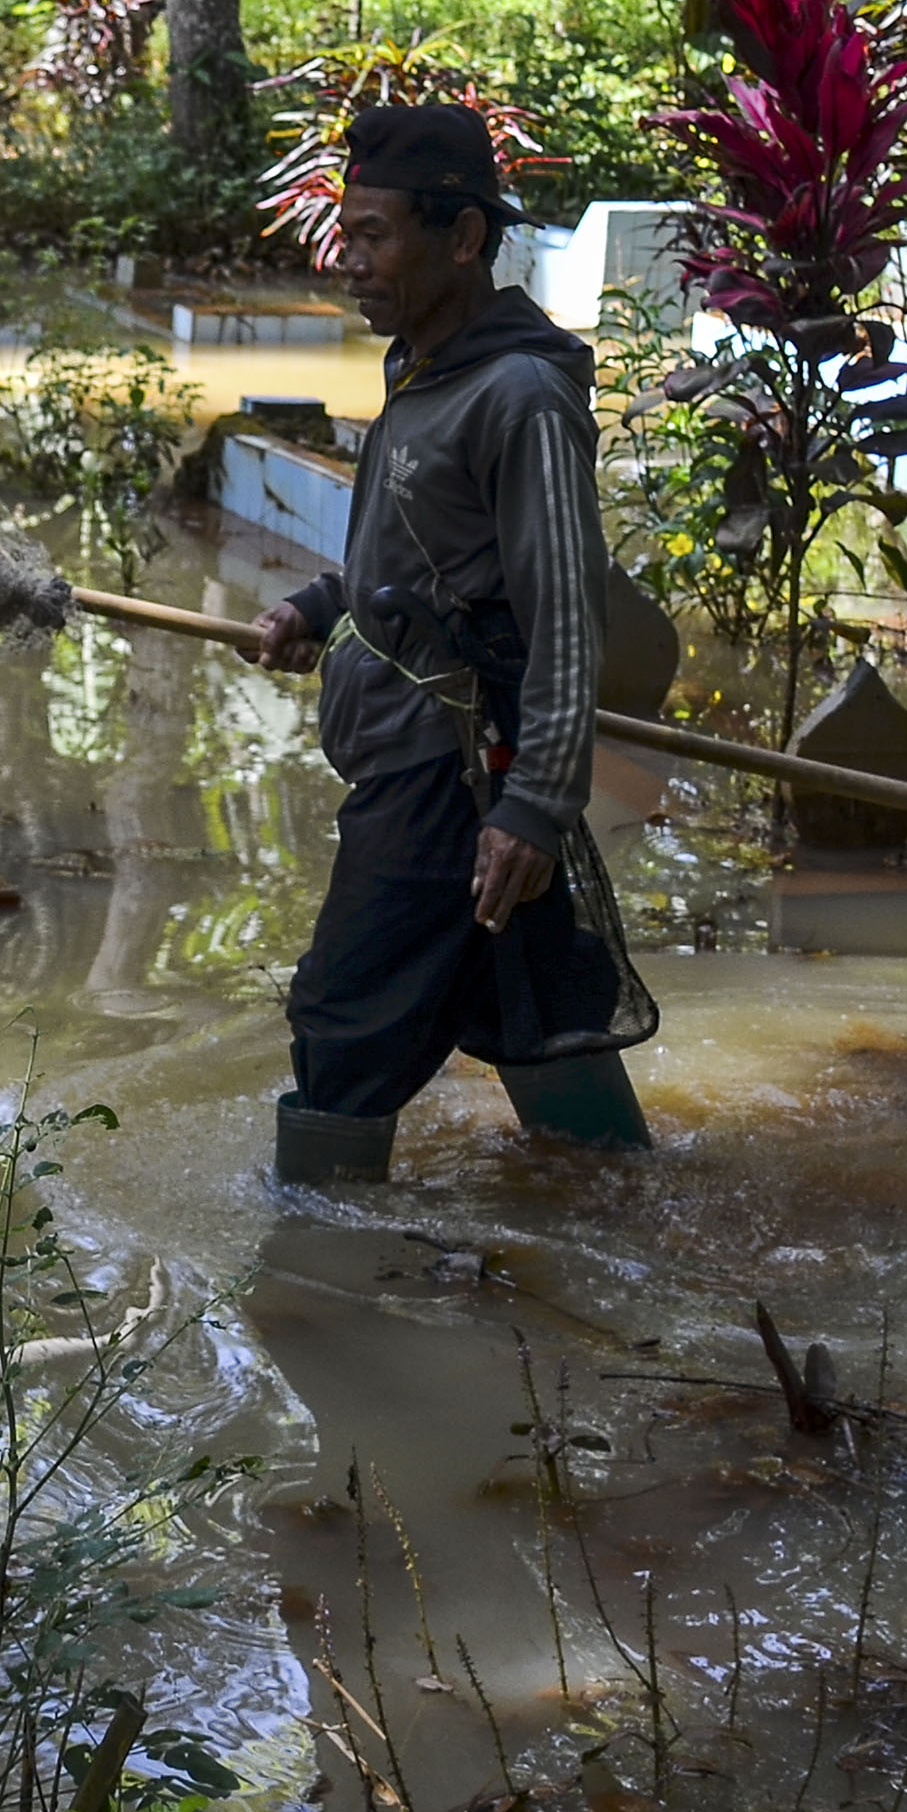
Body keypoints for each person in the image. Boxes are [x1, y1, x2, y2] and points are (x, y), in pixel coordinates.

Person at [250, 103, 655, 1183]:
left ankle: (314, 1282)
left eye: (376, 233)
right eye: (350, 230)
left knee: (341, 1024)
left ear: (463, 236)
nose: (351, 259)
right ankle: (623, 1206)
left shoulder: (519, 398)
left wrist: (533, 808)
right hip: (417, 758)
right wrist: (319, 604)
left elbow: (569, 618)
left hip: (454, 777)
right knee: (530, 1000)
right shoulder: (419, 370)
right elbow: (417, 566)